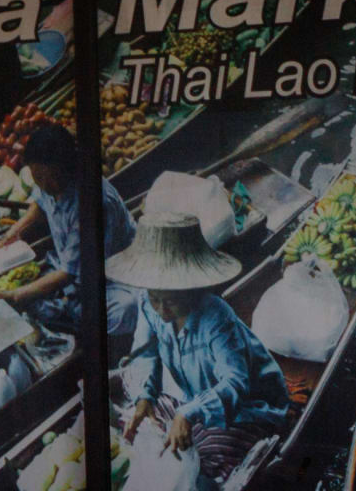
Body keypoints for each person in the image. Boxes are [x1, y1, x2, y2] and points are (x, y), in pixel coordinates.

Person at [107, 174, 292, 483]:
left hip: (245, 407)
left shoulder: (216, 317)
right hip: (192, 395)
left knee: (209, 455)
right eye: (155, 299)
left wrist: (189, 413)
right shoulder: (147, 303)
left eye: (171, 301)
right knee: (146, 420)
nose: (162, 311)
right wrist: (144, 397)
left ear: (190, 289)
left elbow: (235, 382)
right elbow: (146, 354)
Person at [0, 120, 132, 343]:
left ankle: (78, 323)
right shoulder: (46, 176)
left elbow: (68, 273)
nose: (47, 184)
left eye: (53, 177)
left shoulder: (92, 204)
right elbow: (40, 201)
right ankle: (69, 310)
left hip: (112, 273)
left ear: (68, 166)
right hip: (68, 266)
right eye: (39, 178)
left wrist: (17, 295)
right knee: (33, 297)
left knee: (122, 313)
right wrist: (15, 231)